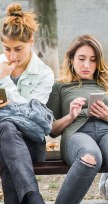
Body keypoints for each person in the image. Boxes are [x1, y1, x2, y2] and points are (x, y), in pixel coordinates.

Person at [0, 3, 54, 204]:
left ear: (31, 42)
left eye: (18, 49)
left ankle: (30, 198)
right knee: (6, 127)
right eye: (7, 49)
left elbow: (33, 114)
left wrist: (3, 81)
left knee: (5, 151)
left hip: (31, 142)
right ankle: (35, 198)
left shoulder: (44, 73)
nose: (12, 56)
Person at [46, 34, 108, 204]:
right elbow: (52, 130)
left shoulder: (106, 83)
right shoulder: (60, 86)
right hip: (77, 133)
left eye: (93, 60)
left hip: (106, 131)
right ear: (72, 59)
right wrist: (71, 116)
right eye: (81, 58)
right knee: (90, 156)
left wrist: (106, 115)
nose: (87, 65)